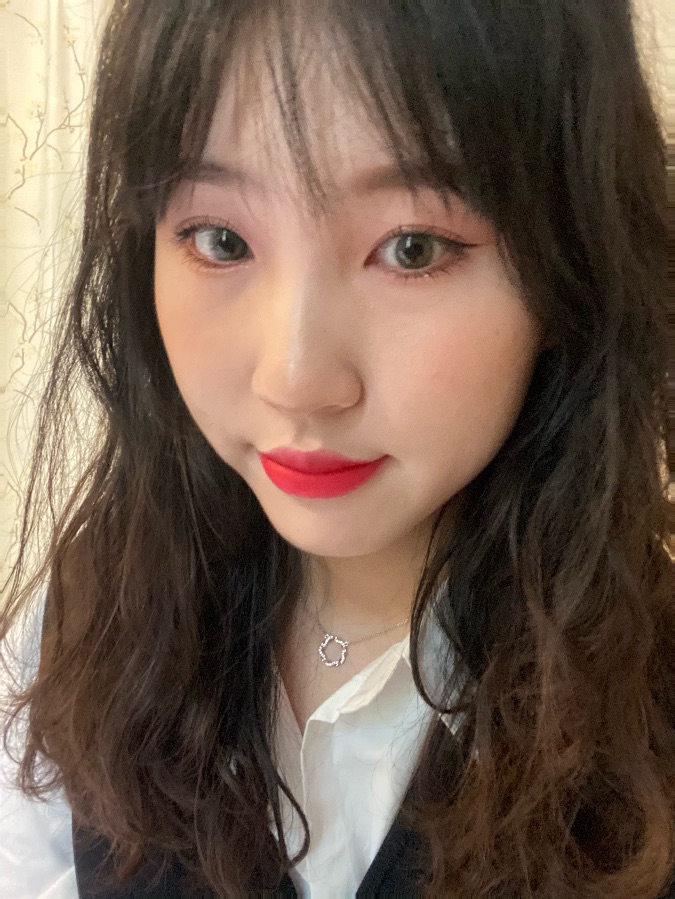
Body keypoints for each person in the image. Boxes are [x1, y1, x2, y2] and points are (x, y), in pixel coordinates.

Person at [1, 1, 673, 896]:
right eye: (221, 240)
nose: (295, 379)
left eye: (412, 249)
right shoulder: (85, 619)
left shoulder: (651, 705)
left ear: (572, 260)